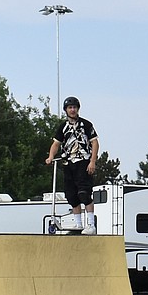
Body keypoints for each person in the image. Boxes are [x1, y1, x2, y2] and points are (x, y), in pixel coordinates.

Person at [45, 95, 100, 233]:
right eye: (70, 107)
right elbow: (56, 143)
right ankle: (78, 223)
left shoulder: (86, 125)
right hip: (68, 163)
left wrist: (92, 161)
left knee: (84, 193)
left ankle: (91, 225)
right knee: (71, 195)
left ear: (78, 109)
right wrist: (51, 156)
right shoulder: (63, 127)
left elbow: (95, 142)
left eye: (74, 107)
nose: (72, 110)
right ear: (66, 110)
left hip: (83, 161)